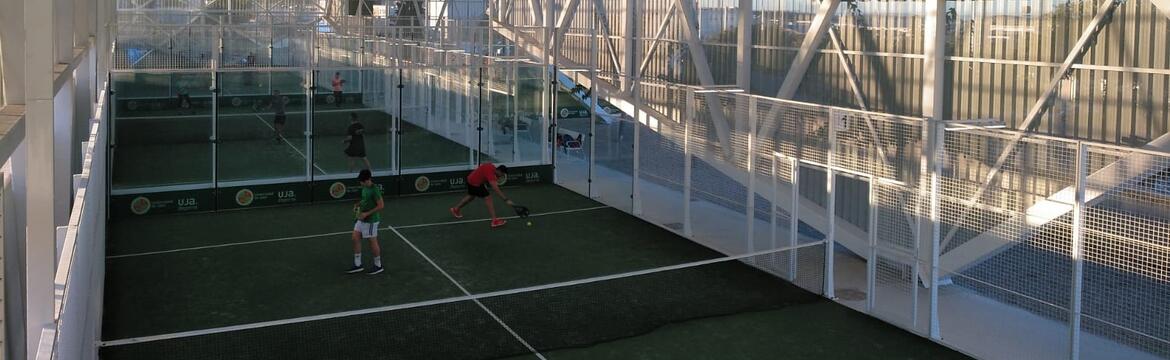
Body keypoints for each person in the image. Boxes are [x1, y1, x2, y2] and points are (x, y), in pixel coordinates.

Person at [449, 163, 514, 228]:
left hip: (470, 179)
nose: (501, 176)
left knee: (471, 196)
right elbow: (495, 188)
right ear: (499, 171)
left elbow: (483, 170)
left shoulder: (491, 166)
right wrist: (506, 200)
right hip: (475, 183)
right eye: (502, 174)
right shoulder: (490, 174)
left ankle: (456, 209)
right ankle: (495, 221)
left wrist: (484, 179)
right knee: (488, 198)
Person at [348, 169, 385, 274]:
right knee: (355, 237)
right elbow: (365, 199)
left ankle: (378, 265)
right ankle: (357, 264)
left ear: (368, 180)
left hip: (371, 221)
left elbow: (381, 205)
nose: (360, 182)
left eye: (362, 181)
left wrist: (366, 214)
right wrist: (358, 204)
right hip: (362, 219)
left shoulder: (375, 190)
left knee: (372, 242)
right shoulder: (365, 187)